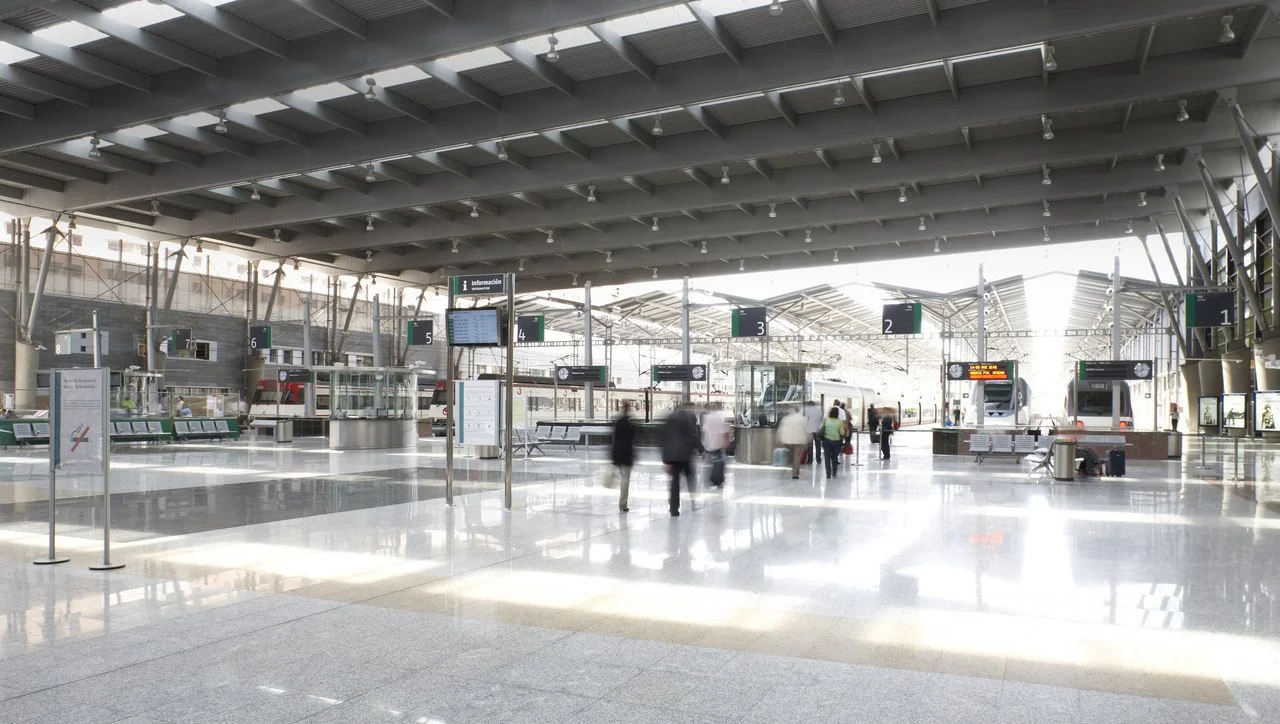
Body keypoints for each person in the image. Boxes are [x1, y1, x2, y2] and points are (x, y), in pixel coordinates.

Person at [660, 403, 700, 517]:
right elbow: (694, 435)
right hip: (685, 455)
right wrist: (700, 450)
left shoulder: (669, 419)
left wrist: (665, 459)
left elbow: (664, 439)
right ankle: (693, 500)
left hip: (673, 456)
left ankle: (674, 508)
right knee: (690, 479)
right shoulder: (688, 418)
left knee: (675, 482)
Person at [611, 401, 635, 513]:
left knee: (623, 479)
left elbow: (614, 440)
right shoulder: (627, 422)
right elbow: (630, 440)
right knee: (625, 480)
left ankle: (622, 504)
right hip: (626, 455)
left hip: (619, 454)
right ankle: (623, 504)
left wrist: (614, 458)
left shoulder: (618, 421)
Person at [701, 402, 731, 488]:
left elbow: (704, 431)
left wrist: (703, 444)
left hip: (709, 444)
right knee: (719, 462)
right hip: (718, 445)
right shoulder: (720, 417)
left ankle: (710, 480)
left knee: (710, 463)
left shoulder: (707, 417)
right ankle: (718, 481)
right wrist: (726, 442)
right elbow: (724, 431)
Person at [777, 405, 810, 479]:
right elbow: (807, 430)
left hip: (788, 440)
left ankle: (785, 469)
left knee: (790, 456)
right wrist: (808, 439)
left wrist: (780, 439)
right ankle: (795, 473)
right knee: (797, 457)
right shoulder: (803, 419)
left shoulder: (786, 419)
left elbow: (781, 430)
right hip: (799, 440)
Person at [820, 407, 845, 479]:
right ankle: (834, 472)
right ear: (837, 413)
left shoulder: (826, 420)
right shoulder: (839, 421)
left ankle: (828, 474)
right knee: (834, 457)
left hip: (826, 441)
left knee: (827, 457)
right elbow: (842, 432)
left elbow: (821, 428)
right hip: (836, 442)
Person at [803, 400, 823, 465]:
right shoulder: (819, 410)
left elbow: (806, 420)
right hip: (817, 430)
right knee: (818, 445)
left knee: (810, 446)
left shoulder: (807, 410)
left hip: (809, 429)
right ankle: (818, 460)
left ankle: (810, 460)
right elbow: (821, 419)